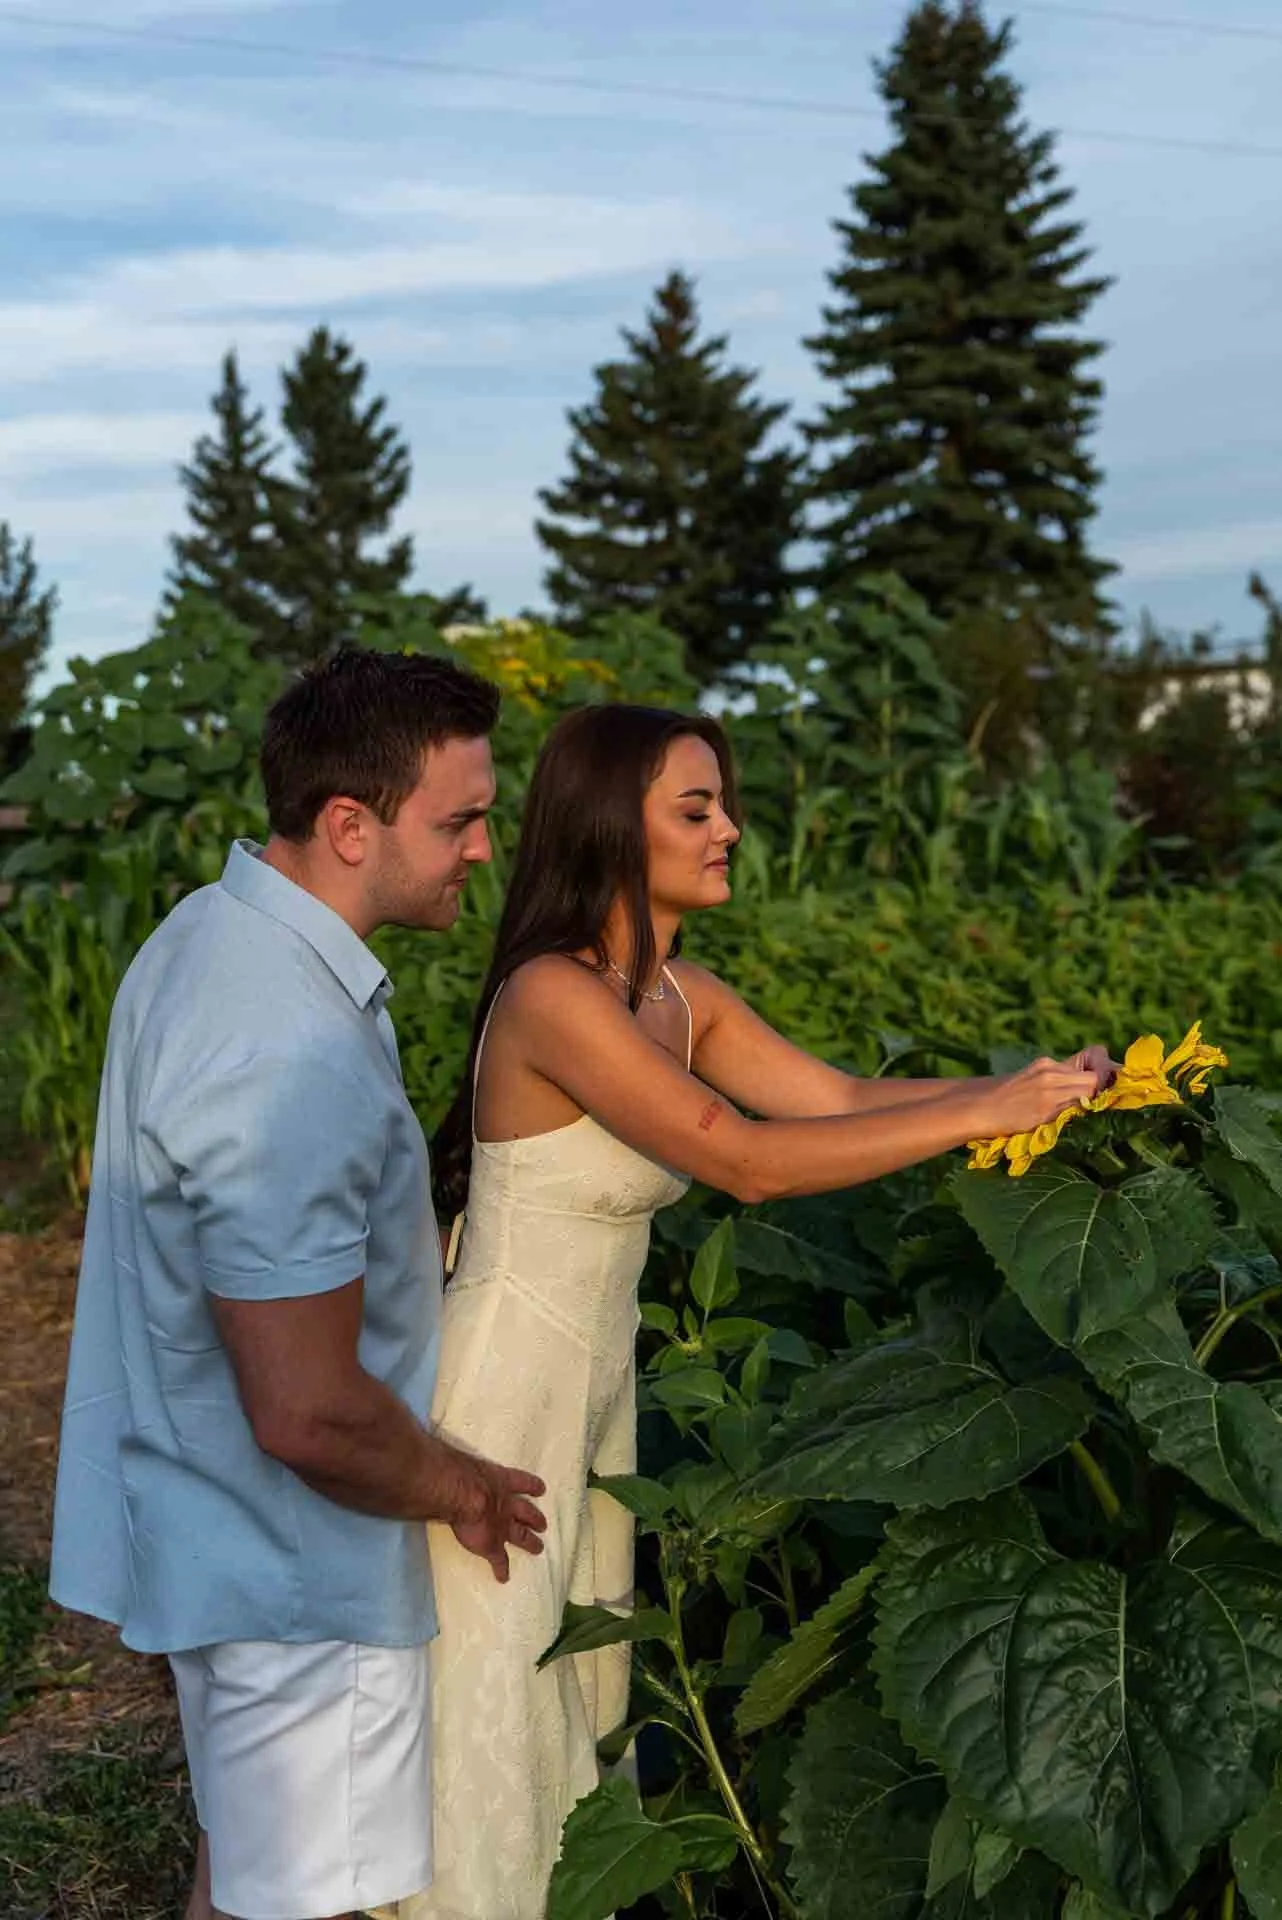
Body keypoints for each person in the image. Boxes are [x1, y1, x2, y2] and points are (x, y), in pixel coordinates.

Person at [382, 703, 1113, 1920]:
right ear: (615, 825)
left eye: (722, 804)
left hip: (591, 1389)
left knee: (576, 1713)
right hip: (502, 1391)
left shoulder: (678, 994)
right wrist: (986, 1119)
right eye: (695, 808)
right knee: (495, 1718)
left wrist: (1042, 1092)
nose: (728, 829)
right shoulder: (552, 999)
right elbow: (749, 1161)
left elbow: (831, 1096)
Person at [48, 646, 547, 1920]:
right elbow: (308, 1410)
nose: (482, 850)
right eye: (459, 820)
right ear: (347, 825)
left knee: (247, 1885)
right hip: (295, 1577)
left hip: (223, 1533)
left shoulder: (210, 939)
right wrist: (469, 1489)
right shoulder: (288, 1042)